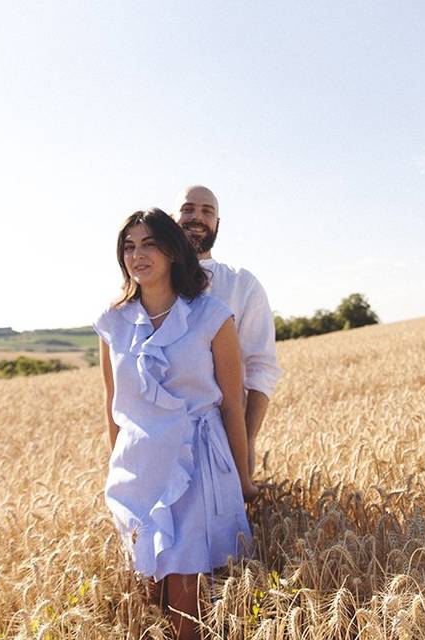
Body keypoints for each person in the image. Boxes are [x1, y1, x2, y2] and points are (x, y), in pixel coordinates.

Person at [92, 208, 259, 640]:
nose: (137, 255)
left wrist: (242, 476)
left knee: (186, 601)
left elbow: (230, 407)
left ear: (172, 250)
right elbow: (113, 406)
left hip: (197, 462)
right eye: (129, 246)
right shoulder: (112, 323)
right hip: (139, 465)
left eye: (149, 243)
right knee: (152, 593)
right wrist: (116, 471)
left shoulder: (212, 316)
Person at [173, 185, 281, 476]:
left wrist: (245, 440)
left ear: (217, 225)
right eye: (188, 209)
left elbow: (263, 367)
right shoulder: (150, 287)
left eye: (207, 211)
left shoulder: (242, 285)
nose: (197, 217)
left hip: (221, 444)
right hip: (163, 448)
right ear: (172, 219)